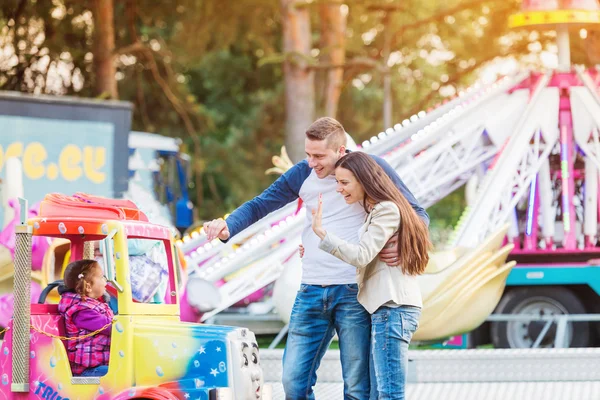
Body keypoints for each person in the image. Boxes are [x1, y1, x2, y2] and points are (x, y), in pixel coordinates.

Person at [204, 117, 428, 400]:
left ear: (341, 151)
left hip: (354, 292)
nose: (311, 162)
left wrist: (403, 244)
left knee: (358, 386)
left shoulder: (370, 169)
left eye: (319, 156)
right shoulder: (302, 174)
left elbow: (417, 213)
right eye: (308, 154)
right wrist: (229, 225)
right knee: (293, 380)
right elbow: (261, 204)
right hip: (311, 288)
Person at [310, 151, 430, 400]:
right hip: (387, 309)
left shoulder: (386, 210)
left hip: (392, 308)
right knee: (381, 393)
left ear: (364, 180)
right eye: (337, 183)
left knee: (389, 394)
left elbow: (362, 255)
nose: (339, 189)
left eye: (344, 182)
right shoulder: (376, 211)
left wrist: (322, 234)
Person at [58, 259, 113, 377]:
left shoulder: (94, 304)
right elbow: (109, 326)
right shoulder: (82, 311)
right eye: (102, 277)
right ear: (88, 286)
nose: (105, 281)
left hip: (100, 362)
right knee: (121, 375)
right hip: (87, 369)